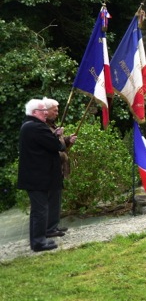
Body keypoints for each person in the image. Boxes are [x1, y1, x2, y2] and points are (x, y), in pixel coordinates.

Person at [17, 99, 66, 252]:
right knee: (40, 211)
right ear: (34, 113)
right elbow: (57, 146)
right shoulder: (37, 127)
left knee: (38, 210)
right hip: (38, 177)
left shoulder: (29, 126)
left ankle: (38, 240)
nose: (46, 112)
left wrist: (54, 135)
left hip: (34, 177)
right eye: (42, 110)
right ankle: (38, 242)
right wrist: (58, 136)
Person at [43, 97, 77, 238]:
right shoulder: (42, 126)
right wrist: (56, 136)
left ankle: (54, 225)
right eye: (54, 110)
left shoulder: (52, 125)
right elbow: (50, 145)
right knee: (50, 199)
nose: (57, 113)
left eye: (58, 110)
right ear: (46, 111)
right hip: (48, 169)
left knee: (56, 199)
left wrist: (68, 139)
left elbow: (60, 146)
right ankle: (49, 229)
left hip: (57, 168)